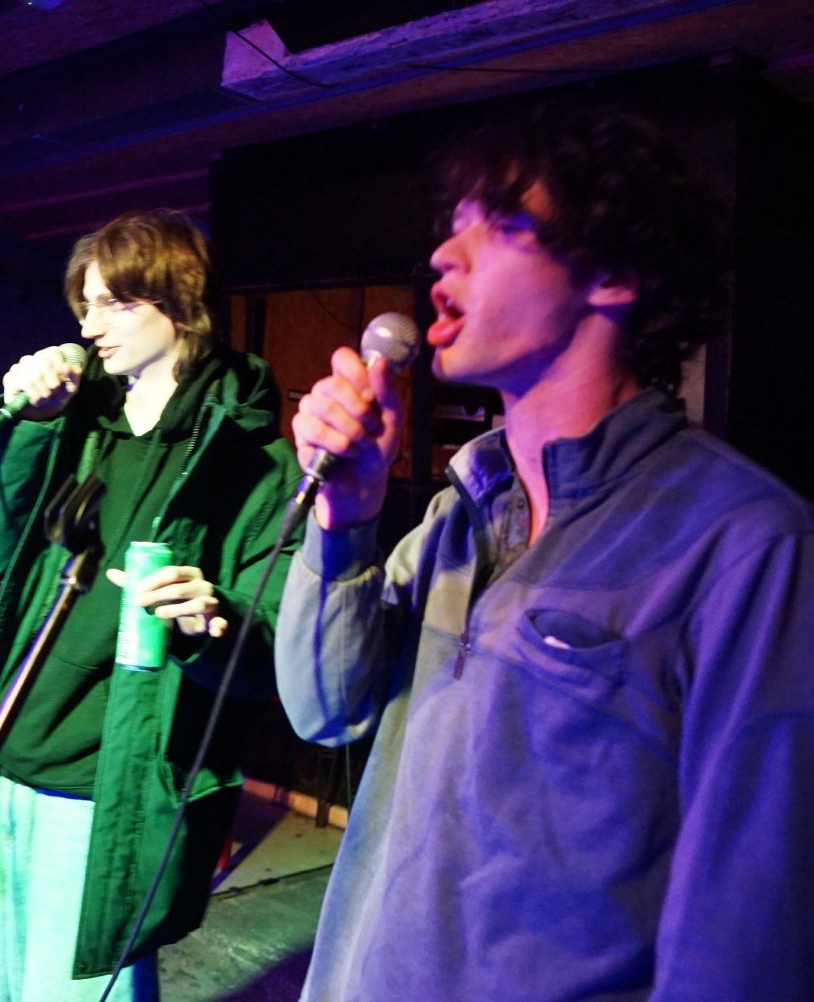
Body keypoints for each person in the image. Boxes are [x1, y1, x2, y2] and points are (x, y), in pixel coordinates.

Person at [275, 106, 814, 1000]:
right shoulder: (456, 515)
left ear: (613, 273)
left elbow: (742, 936)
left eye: (496, 224)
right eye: (449, 228)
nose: (443, 256)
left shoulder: (742, 542)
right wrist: (343, 522)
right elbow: (323, 709)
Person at [0, 209, 302, 1000]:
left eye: (115, 304)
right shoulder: (77, 423)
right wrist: (21, 427)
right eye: (85, 306)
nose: (89, 327)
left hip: (102, 798)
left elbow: (274, 656)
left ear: (182, 302)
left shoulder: (253, 460)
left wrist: (211, 620)